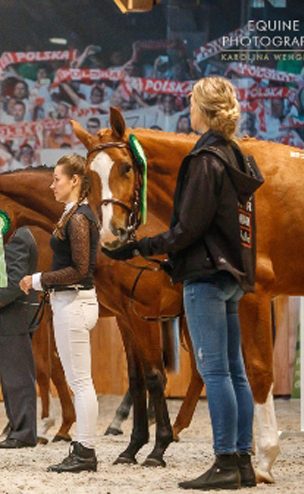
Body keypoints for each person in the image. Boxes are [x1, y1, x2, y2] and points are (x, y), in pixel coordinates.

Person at [103, 76, 264, 490]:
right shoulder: (235, 155)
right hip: (232, 271)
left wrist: (140, 247)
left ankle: (225, 460)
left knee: (215, 371)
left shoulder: (204, 160)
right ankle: (242, 461)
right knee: (235, 371)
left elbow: (187, 229)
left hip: (205, 273)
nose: (188, 110)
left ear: (204, 111)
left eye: (192, 103)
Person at [20, 154, 100, 472]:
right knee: (78, 381)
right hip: (68, 302)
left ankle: (85, 451)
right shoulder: (72, 214)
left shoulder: (79, 218)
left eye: (57, 179)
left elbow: (80, 269)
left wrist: (38, 279)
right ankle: (82, 447)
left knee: (80, 382)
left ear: (75, 180)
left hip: (75, 301)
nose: (52, 185)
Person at [0, 225, 40, 449]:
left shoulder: (16, 238)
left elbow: (15, 281)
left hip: (14, 312)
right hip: (9, 313)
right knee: (11, 375)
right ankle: (18, 429)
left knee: (18, 376)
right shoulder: (11, 236)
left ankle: (24, 432)